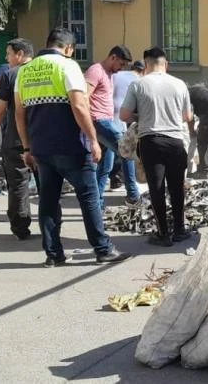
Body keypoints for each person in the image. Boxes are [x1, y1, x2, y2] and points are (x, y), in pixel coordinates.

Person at [14, 27, 132, 267]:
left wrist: (27, 148)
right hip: (71, 147)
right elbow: (79, 106)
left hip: (41, 148)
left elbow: (19, 113)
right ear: (68, 48)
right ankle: (102, 248)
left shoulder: (24, 71)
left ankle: (53, 254)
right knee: (89, 196)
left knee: (48, 200)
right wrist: (92, 139)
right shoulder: (68, 66)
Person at [120, 47, 194, 247]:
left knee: (157, 188)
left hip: (151, 141)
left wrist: (142, 116)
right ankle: (179, 229)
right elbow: (187, 117)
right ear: (166, 64)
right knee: (177, 187)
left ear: (145, 64)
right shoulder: (180, 84)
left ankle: (163, 233)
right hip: (176, 141)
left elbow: (124, 116)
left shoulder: (138, 84)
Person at [0, 38, 35, 240]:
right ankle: (51, 227)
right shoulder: (44, 72)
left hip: (16, 139)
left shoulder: (10, 75)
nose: (6, 58)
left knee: (18, 184)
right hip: (43, 139)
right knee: (48, 185)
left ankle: (20, 227)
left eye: (8, 54)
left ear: (19, 54)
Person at [85, 45, 138, 209]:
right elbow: (84, 97)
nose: (121, 68)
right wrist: (90, 127)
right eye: (121, 64)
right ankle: (133, 197)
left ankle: (96, 203)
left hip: (106, 121)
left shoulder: (109, 74)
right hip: (99, 121)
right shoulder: (96, 71)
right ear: (113, 58)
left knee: (105, 167)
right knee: (126, 151)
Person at [109, 60, 145, 191]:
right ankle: (132, 192)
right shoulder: (139, 81)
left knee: (109, 151)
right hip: (121, 116)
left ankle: (114, 179)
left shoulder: (117, 74)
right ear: (143, 70)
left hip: (105, 115)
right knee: (125, 150)